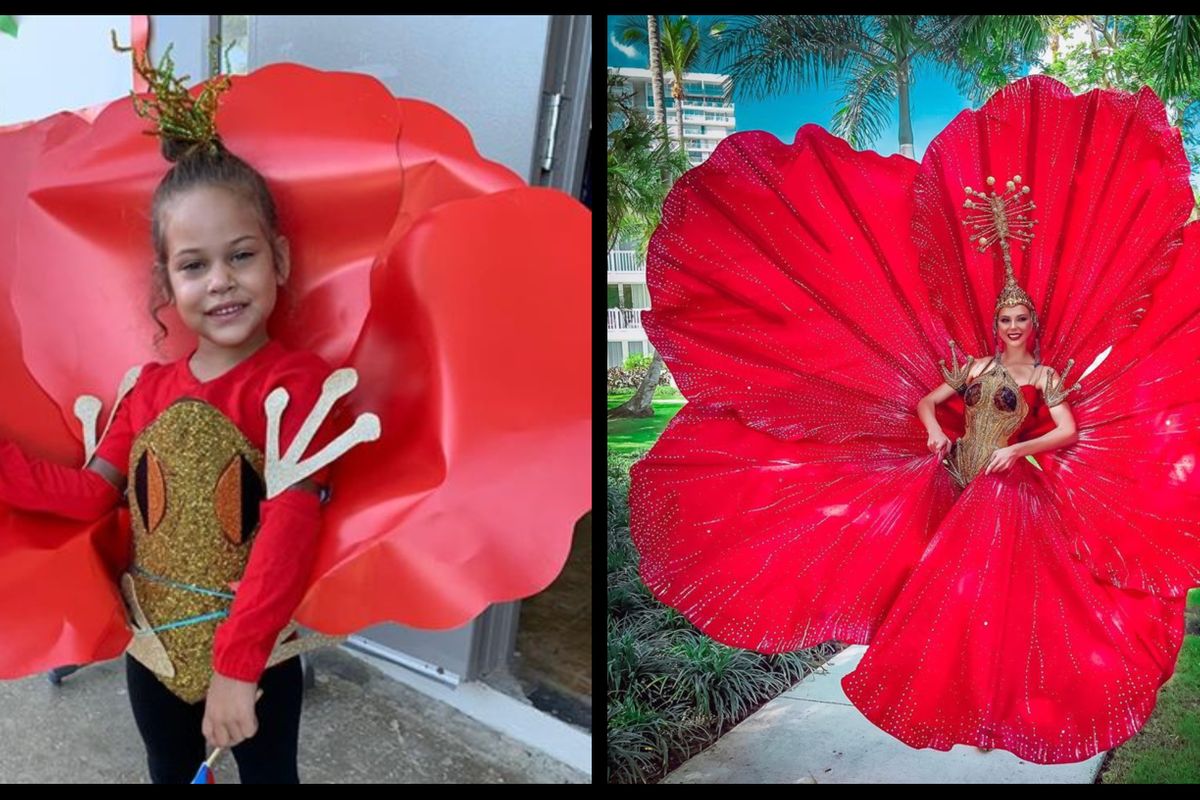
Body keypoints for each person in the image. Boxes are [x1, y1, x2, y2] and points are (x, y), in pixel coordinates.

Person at [0, 38, 589, 782]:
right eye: (194, 264)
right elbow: (91, 495)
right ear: (167, 282)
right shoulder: (143, 391)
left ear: (278, 260)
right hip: (151, 654)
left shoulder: (297, 389)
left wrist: (237, 670)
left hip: (255, 663)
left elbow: (288, 529)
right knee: (167, 771)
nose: (221, 282)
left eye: (240, 256)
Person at [629, 75, 1200, 764]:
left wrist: (1021, 451)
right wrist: (938, 429)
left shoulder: (1046, 377)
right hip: (919, 454)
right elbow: (927, 393)